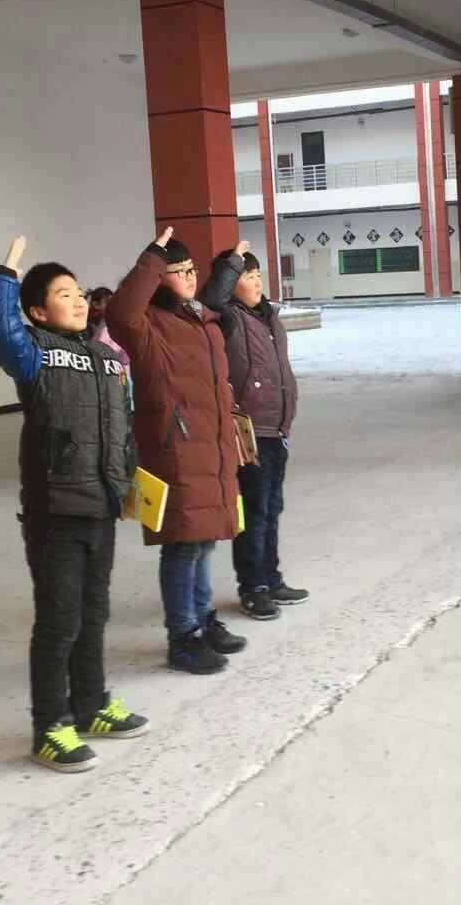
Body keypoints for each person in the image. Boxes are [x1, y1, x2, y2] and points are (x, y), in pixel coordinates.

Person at [0, 235, 148, 773]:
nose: (76, 300)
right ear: (37, 311)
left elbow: (121, 431)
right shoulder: (35, 355)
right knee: (59, 622)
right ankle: (50, 727)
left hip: (102, 506)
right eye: (62, 294)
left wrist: (129, 483)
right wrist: (4, 276)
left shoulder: (107, 359)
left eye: (78, 292)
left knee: (94, 616)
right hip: (56, 511)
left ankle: (91, 706)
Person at [105, 227, 249, 674]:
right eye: (176, 271)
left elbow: (214, 297)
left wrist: (231, 265)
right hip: (177, 448)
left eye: (191, 270)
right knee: (183, 546)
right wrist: (152, 257)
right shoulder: (146, 325)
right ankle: (182, 637)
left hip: (212, 446)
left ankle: (203, 621)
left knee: (204, 541)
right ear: (157, 278)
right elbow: (120, 312)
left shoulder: (202, 318)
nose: (187, 277)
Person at [202, 249, 307, 621]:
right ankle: (253, 588)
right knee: (255, 511)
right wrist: (230, 264)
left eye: (258, 273)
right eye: (247, 275)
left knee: (272, 508)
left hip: (277, 427)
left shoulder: (269, 316)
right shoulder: (227, 315)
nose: (257, 281)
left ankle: (271, 579)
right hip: (250, 429)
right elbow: (211, 298)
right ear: (231, 283)